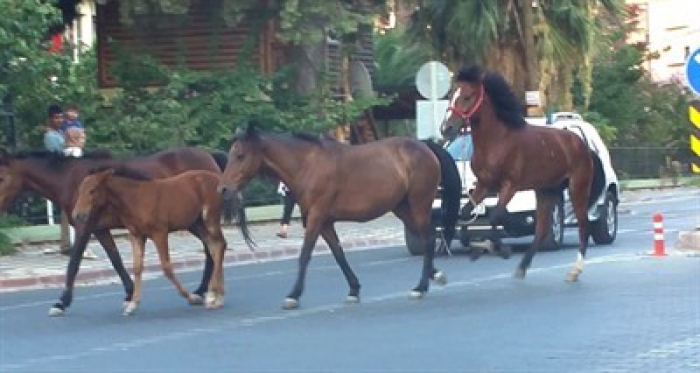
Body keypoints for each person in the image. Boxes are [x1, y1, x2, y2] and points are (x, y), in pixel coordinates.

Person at [42, 105, 97, 259]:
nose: (59, 120)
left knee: (69, 211)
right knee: (73, 210)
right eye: (56, 118)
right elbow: (59, 155)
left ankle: (69, 244)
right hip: (63, 177)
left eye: (61, 117)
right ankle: (74, 245)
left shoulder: (62, 131)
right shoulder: (50, 136)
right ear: (50, 119)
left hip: (70, 176)